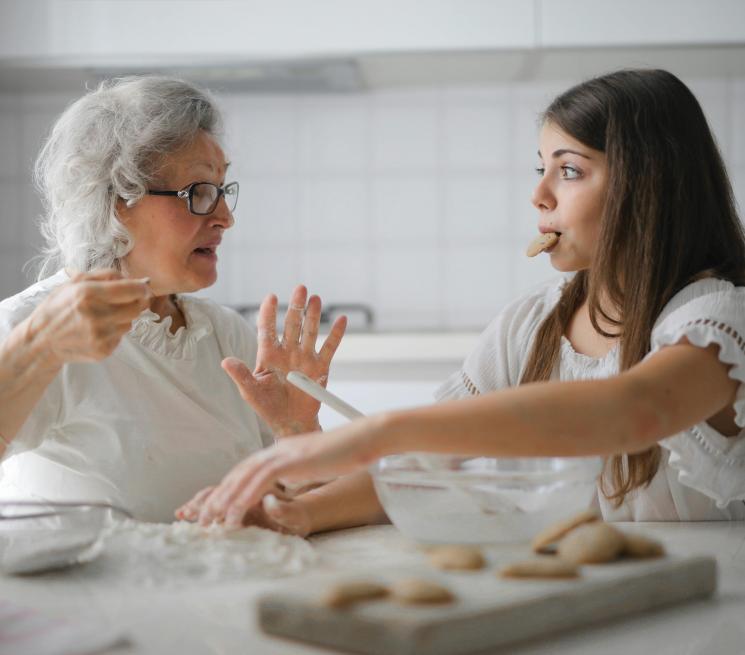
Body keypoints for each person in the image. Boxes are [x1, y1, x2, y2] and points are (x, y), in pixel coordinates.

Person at [182, 69, 745, 531]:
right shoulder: (530, 323)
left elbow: (633, 411)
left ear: (646, 187)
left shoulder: (717, 319)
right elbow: (428, 466)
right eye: (541, 167)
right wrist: (298, 514)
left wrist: (383, 430)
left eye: (569, 170)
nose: (539, 194)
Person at [0, 76, 346, 522]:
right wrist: (38, 348)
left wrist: (297, 431)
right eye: (198, 193)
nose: (225, 217)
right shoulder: (27, 324)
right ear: (115, 201)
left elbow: (291, 507)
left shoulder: (225, 336)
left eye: (223, 190)